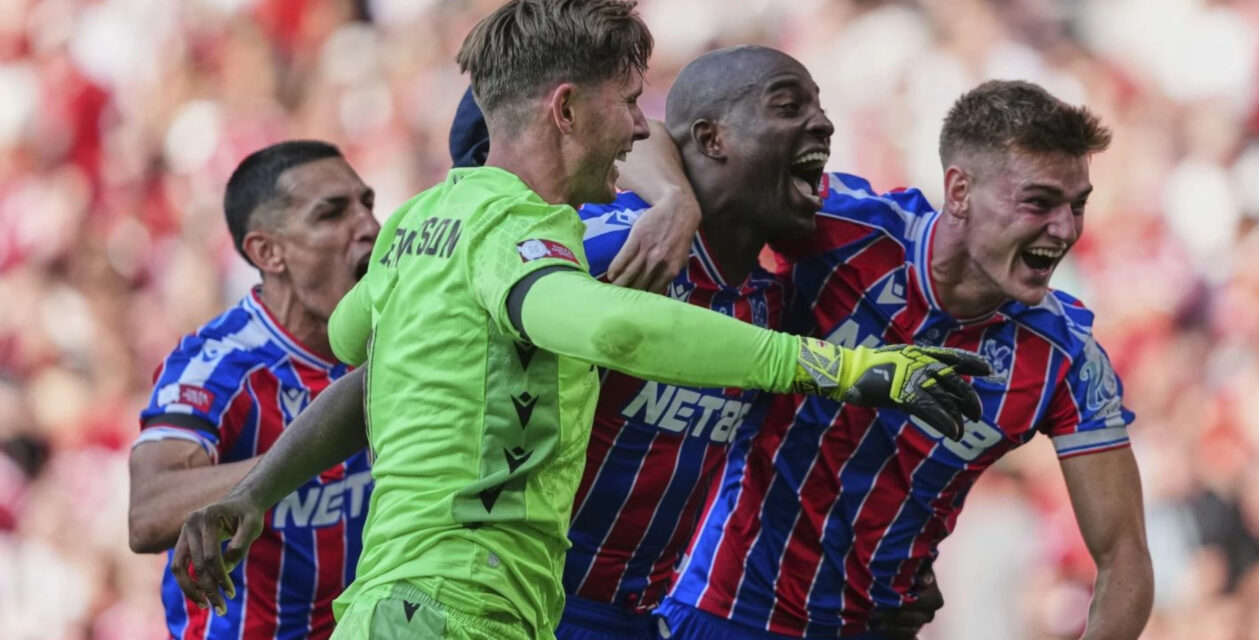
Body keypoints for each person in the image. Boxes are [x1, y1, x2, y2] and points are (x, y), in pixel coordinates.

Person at [170, 2, 988, 639]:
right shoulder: (518, 233)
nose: (639, 128)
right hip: (459, 605)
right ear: (565, 110)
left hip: (400, 602)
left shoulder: (418, 223)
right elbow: (615, 330)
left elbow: (355, 342)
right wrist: (843, 368)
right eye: (629, 103)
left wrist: (255, 492)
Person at [650, 80, 1153, 639]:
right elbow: (651, 139)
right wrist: (675, 200)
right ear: (959, 191)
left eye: (1077, 205)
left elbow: (1124, 557)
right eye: (1039, 202)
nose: (1065, 229)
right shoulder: (842, 228)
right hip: (715, 607)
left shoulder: (1068, 358)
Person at [128, 140, 380, 639]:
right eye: (332, 214)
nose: (369, 226)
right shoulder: (219, 366)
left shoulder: (392, 340)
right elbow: (148, 512)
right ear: (268, 251)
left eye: (367, 204)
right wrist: (302, 458)